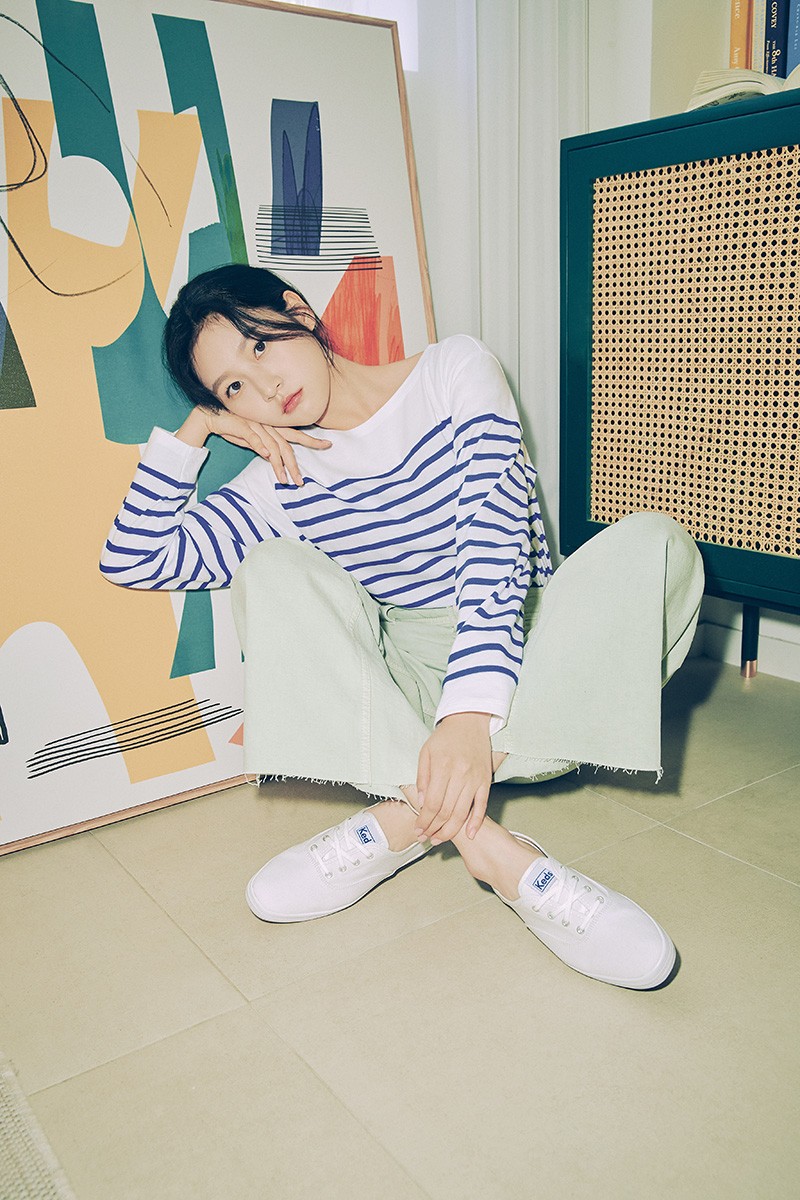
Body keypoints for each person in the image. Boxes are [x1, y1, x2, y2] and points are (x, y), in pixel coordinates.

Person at [100, 263, 704, 990]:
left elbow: (496, 537)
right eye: (232, 388)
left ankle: (400, 819)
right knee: (271, 571)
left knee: (658, 546)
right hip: (409, 688)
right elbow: (133, 558)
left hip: (531, 657)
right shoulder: (276, 484)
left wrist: (468, 718)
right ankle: (500, 857)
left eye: (259, 346)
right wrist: (194, 430)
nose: (263, 387)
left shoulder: (453, 372)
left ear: (297, 311)